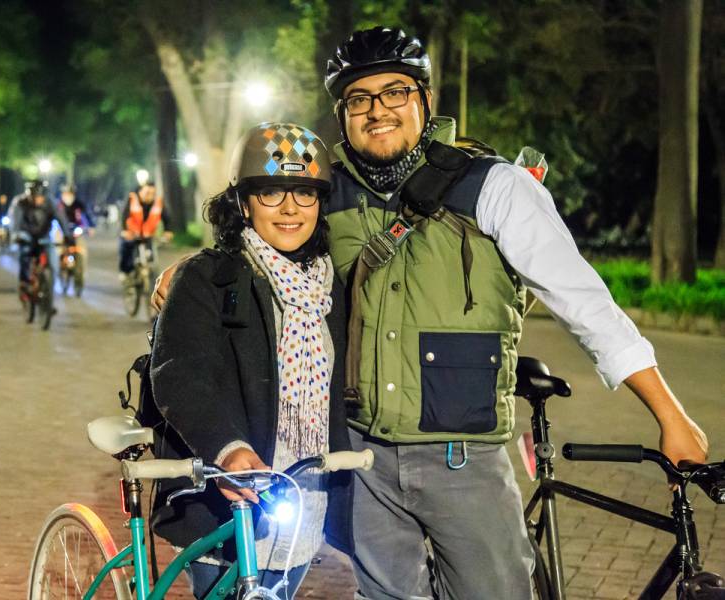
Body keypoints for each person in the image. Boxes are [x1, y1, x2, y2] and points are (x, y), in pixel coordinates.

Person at [154, 26, 709, 600]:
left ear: (424, 98)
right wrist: (195, 270)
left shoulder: (493, 186)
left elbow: (585, 302)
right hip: (363, 462)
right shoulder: (328, 192)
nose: (378, 111)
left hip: (462, 458)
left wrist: (669, 414)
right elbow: (265, 231)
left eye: (395, 92)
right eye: (359, 99)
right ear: (342, 114)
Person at [148, 123, 353, 600]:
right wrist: (228, 448)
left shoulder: (330, 289)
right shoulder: (207, 278)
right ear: (243, 203)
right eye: (271, 193)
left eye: (304, 194)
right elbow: (181, 371)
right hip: (230, 495)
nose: (289, 209)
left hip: (303, 499)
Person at [9, 180, 72, 297]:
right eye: (36, 197)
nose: (39, 200)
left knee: (53, 262)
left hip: (44, 236)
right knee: (25, 255)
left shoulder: (51, 202)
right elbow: (14, 222)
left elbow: (61, 218)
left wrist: (67, 235)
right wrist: (16, 235)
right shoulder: (20, 203)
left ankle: (48, 296)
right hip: (26, 235)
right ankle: (24, 282)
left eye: (41, 197)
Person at [118, 180, 171, 282]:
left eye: (152, 194)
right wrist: (125, 230)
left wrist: (168, 231)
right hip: (132, 235)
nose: (150, 196)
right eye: (147, 193)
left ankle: (153, 279)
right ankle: (125, 271)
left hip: (148, 236)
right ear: (140, 192)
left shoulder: (158, 202)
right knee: (126, 249)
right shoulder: (132, 199)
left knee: (152, 258)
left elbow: (166, 217)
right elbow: (124, 215)